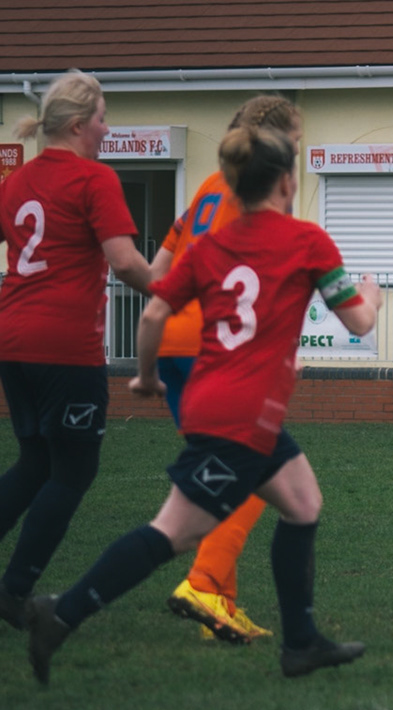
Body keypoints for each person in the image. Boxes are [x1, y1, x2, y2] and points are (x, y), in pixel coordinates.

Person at [25, 121, 382, 685]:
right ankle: (61, 614)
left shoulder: (210, 245)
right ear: (287, 183)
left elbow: (152, 314)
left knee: (302, 502)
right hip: (240, 418)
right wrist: (373, 295)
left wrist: (144, 378)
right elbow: (359, 320)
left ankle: (301, 643)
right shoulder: (307, 241)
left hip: (222, 404)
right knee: (174, 532)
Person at [143, 95, 302, 645]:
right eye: (296, 139)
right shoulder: (258, 189)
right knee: (257, 469)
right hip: (216, 346)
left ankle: (219, 604)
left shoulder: (209, 186)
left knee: (226, 470)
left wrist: (171, 313)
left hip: (175, 341)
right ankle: (204, 581)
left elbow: (160, 269)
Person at [0, 70, 153, 630]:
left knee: (36, 461)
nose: (108, 130)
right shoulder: (94, 180)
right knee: (74, 470)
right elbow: (126, 261)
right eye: (104, 119)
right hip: (64, 345)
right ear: (79, 125)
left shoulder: (15, 183)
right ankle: (14, 591)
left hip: (12, 340)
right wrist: (179, 295)